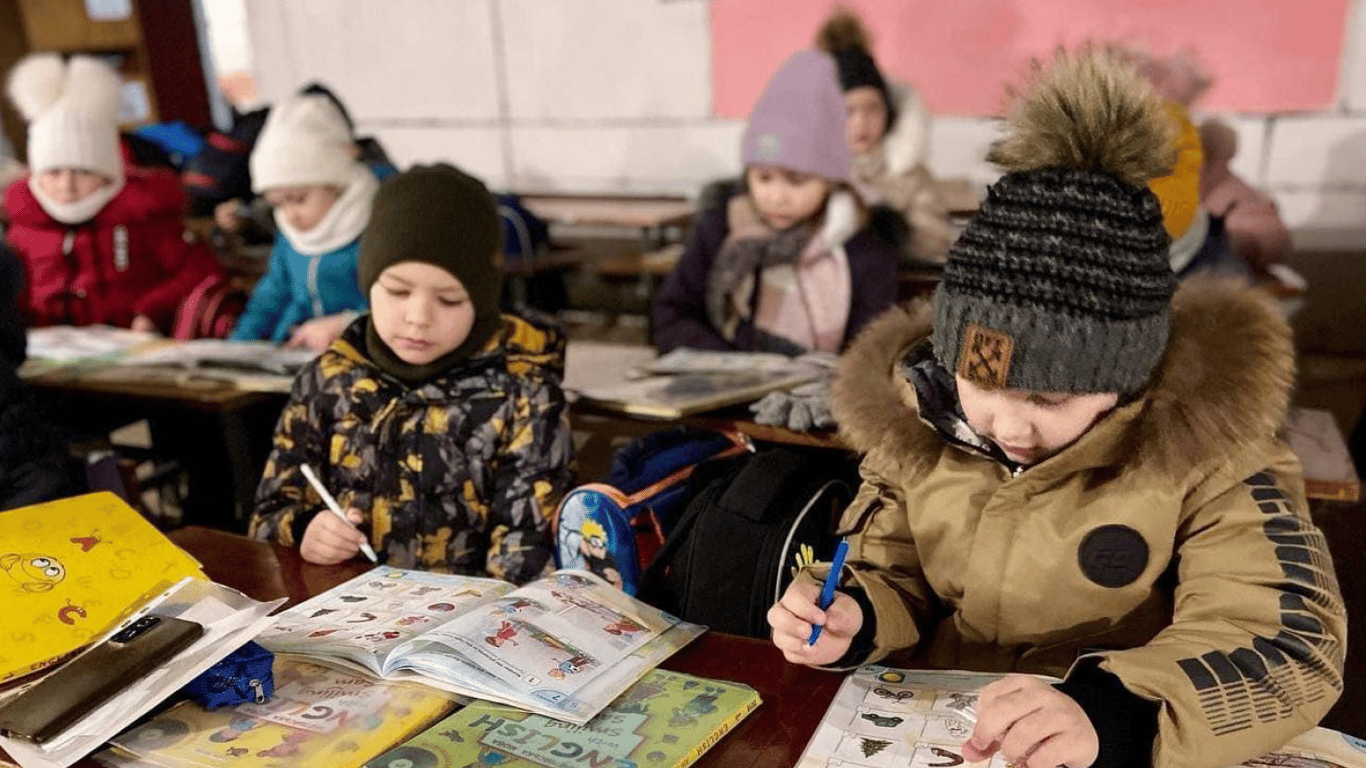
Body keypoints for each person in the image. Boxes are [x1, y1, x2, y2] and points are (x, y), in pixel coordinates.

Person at [767, 47, 1345, 768]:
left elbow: (1284, 641)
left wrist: (1115, 713)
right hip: (944, 727)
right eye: (982, 385)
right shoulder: (925, 418)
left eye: (1052, 399)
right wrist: (852, 612)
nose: (1009, 425)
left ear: (1127, 376)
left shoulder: (1213, 452)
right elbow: (890, 564)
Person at [248, 164, 575, 584]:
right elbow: (267, 516)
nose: (418, 317)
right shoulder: (328, 380)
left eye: (449, 299)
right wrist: (305, 529)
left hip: (469, 617)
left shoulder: (525, 396)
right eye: (398, 291)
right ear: (368, 284)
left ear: (483, 300)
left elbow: (527, 556)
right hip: (347, 614)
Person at [652, 49, 899, 356]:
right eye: (763, 178)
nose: (777, 196)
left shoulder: (862, 252)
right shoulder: (720, 232)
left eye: (797, 181)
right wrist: (730, 365)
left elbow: (870, 350)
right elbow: (672, 316)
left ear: (830, 180)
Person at [3, 53, 224, 332]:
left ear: (109, 173)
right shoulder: (23, 228)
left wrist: (150, 311)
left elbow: (199, 272)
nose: (67, 185)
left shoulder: (146, 217)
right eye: (53, 173)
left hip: (134, 342)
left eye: (83, 172)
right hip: (47, 346)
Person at [226, 91, 394, 351]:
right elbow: (272, 295)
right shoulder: (290, 235)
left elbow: (397, 307)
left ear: (336, 183)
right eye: (278, 204)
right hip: (297, 351)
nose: (289, 215)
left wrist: (347, 324)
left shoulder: (382, 226)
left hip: (363, 352)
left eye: (298, 199)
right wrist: (237, 347)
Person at [815, 8, 954, 263]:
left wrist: (883, 226)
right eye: (848, 111)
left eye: (873, 109)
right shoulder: (810, 172)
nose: (861, 122)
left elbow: (934, 240)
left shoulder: (909, 175)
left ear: (888, 113)